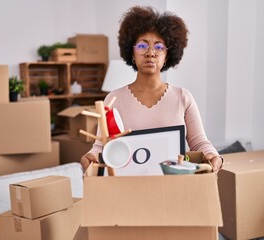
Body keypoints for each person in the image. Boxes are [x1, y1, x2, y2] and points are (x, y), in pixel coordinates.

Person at [80, 5, 223, 172]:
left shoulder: (183, 97)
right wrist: (90, 156)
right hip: (128, 186)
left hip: (173, 186)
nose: (150, 53)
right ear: (132, 53)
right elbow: (101, 146)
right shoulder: (113, 99)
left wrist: (213, 156)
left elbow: (199, 143)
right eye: (142, 46)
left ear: (167, 55)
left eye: (159, 47)